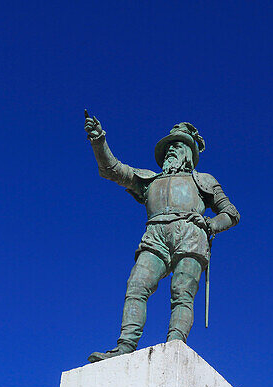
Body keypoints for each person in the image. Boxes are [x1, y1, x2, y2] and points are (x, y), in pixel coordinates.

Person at [83, 114, 240, 362]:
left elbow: (230, 213)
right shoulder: (149, 180)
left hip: (190, 234)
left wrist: (211, 224)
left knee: (181, 291)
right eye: (168, 148)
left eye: (176, 147)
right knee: (136, 285)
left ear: (188, 153)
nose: (170, 151)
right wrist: (98, 141)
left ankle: (175, 344)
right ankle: (125, 346)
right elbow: (112, 169)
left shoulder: (204, 180)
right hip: (155, 235)